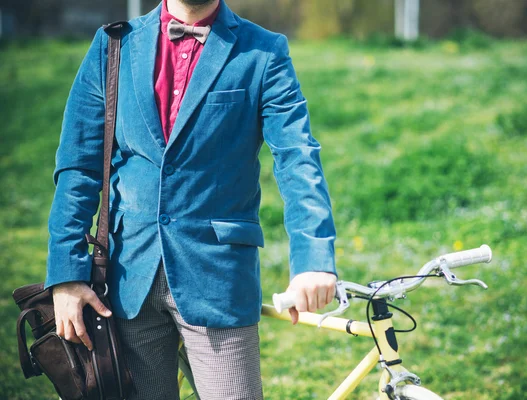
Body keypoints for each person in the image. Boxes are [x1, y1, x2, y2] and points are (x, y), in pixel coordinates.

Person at [44, 0, 338, 399]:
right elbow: (78, 166)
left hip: (218, 281)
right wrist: (67, 276)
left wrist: (312, 261)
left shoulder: (264, 50)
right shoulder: (113, 45)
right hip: (126, 281)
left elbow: (297, 157)